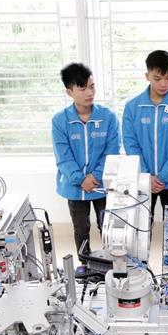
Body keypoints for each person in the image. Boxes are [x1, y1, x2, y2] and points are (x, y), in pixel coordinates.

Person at [52, 63, 120, 260]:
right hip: (74, 186)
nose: (89, 92)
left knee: (107, 227)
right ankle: (84, 265)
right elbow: (63, 157)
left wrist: (95, 176)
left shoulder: (108, 117)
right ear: (69, 91)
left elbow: (112, 152)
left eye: (92, 86)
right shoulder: (60, 121)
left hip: (102, 184)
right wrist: (80, 179)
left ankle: (111, 264)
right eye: (82, 88)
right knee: (81, 228)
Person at [122, 50, 168, 225]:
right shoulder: (132, 107)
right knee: (140, 229)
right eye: (157, 78)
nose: (163, 84)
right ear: (147, 76)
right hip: (142, 180)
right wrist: (147, 177)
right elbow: (131, 145)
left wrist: (162, 177)